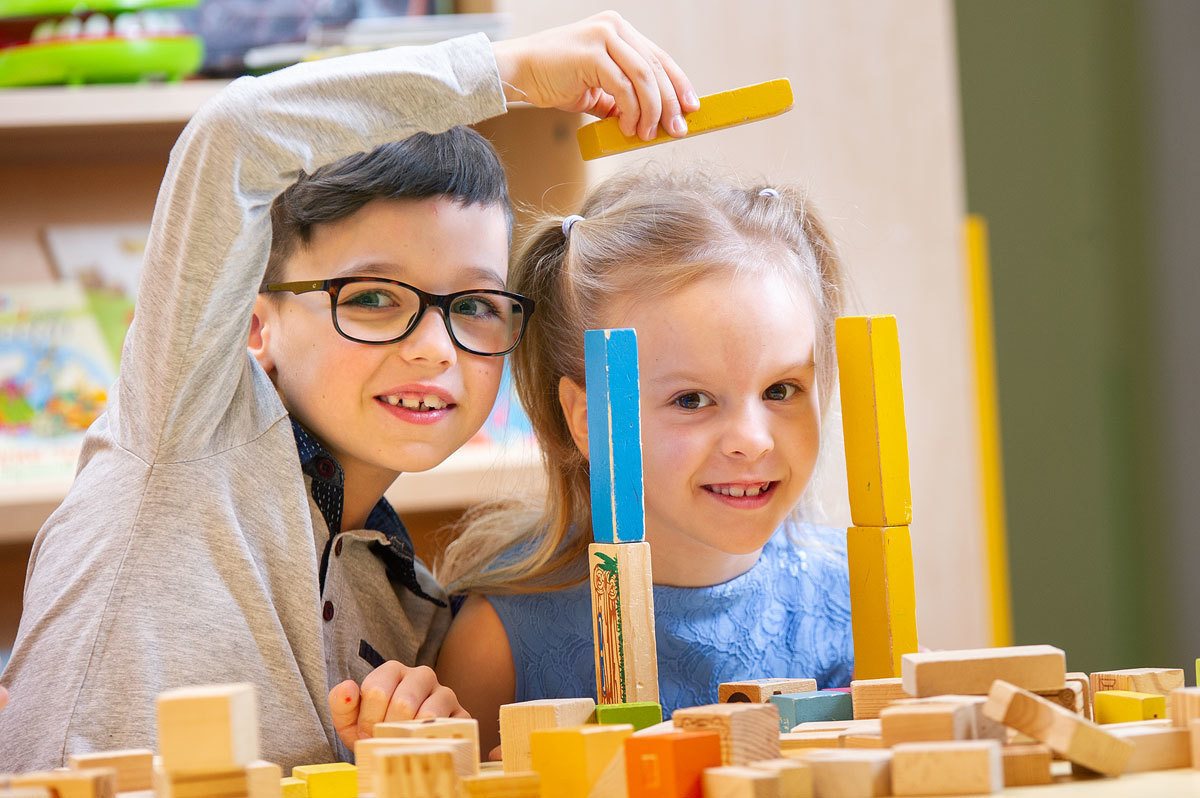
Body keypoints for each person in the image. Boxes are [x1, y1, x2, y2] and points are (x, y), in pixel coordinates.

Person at [0, 13, 697, 771]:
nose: (435, 347)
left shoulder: (415, 610)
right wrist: (508, 71)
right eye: (371, 299)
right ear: (255, 328)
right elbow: (233, 135)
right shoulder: (188, 425)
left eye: (473, 306)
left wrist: (421, 736)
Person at [327, 168, 857, 757]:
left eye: (782, 390)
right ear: (587, 418)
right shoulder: (498, 639)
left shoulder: (854, 594)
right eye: (692, 400)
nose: (753, 441)